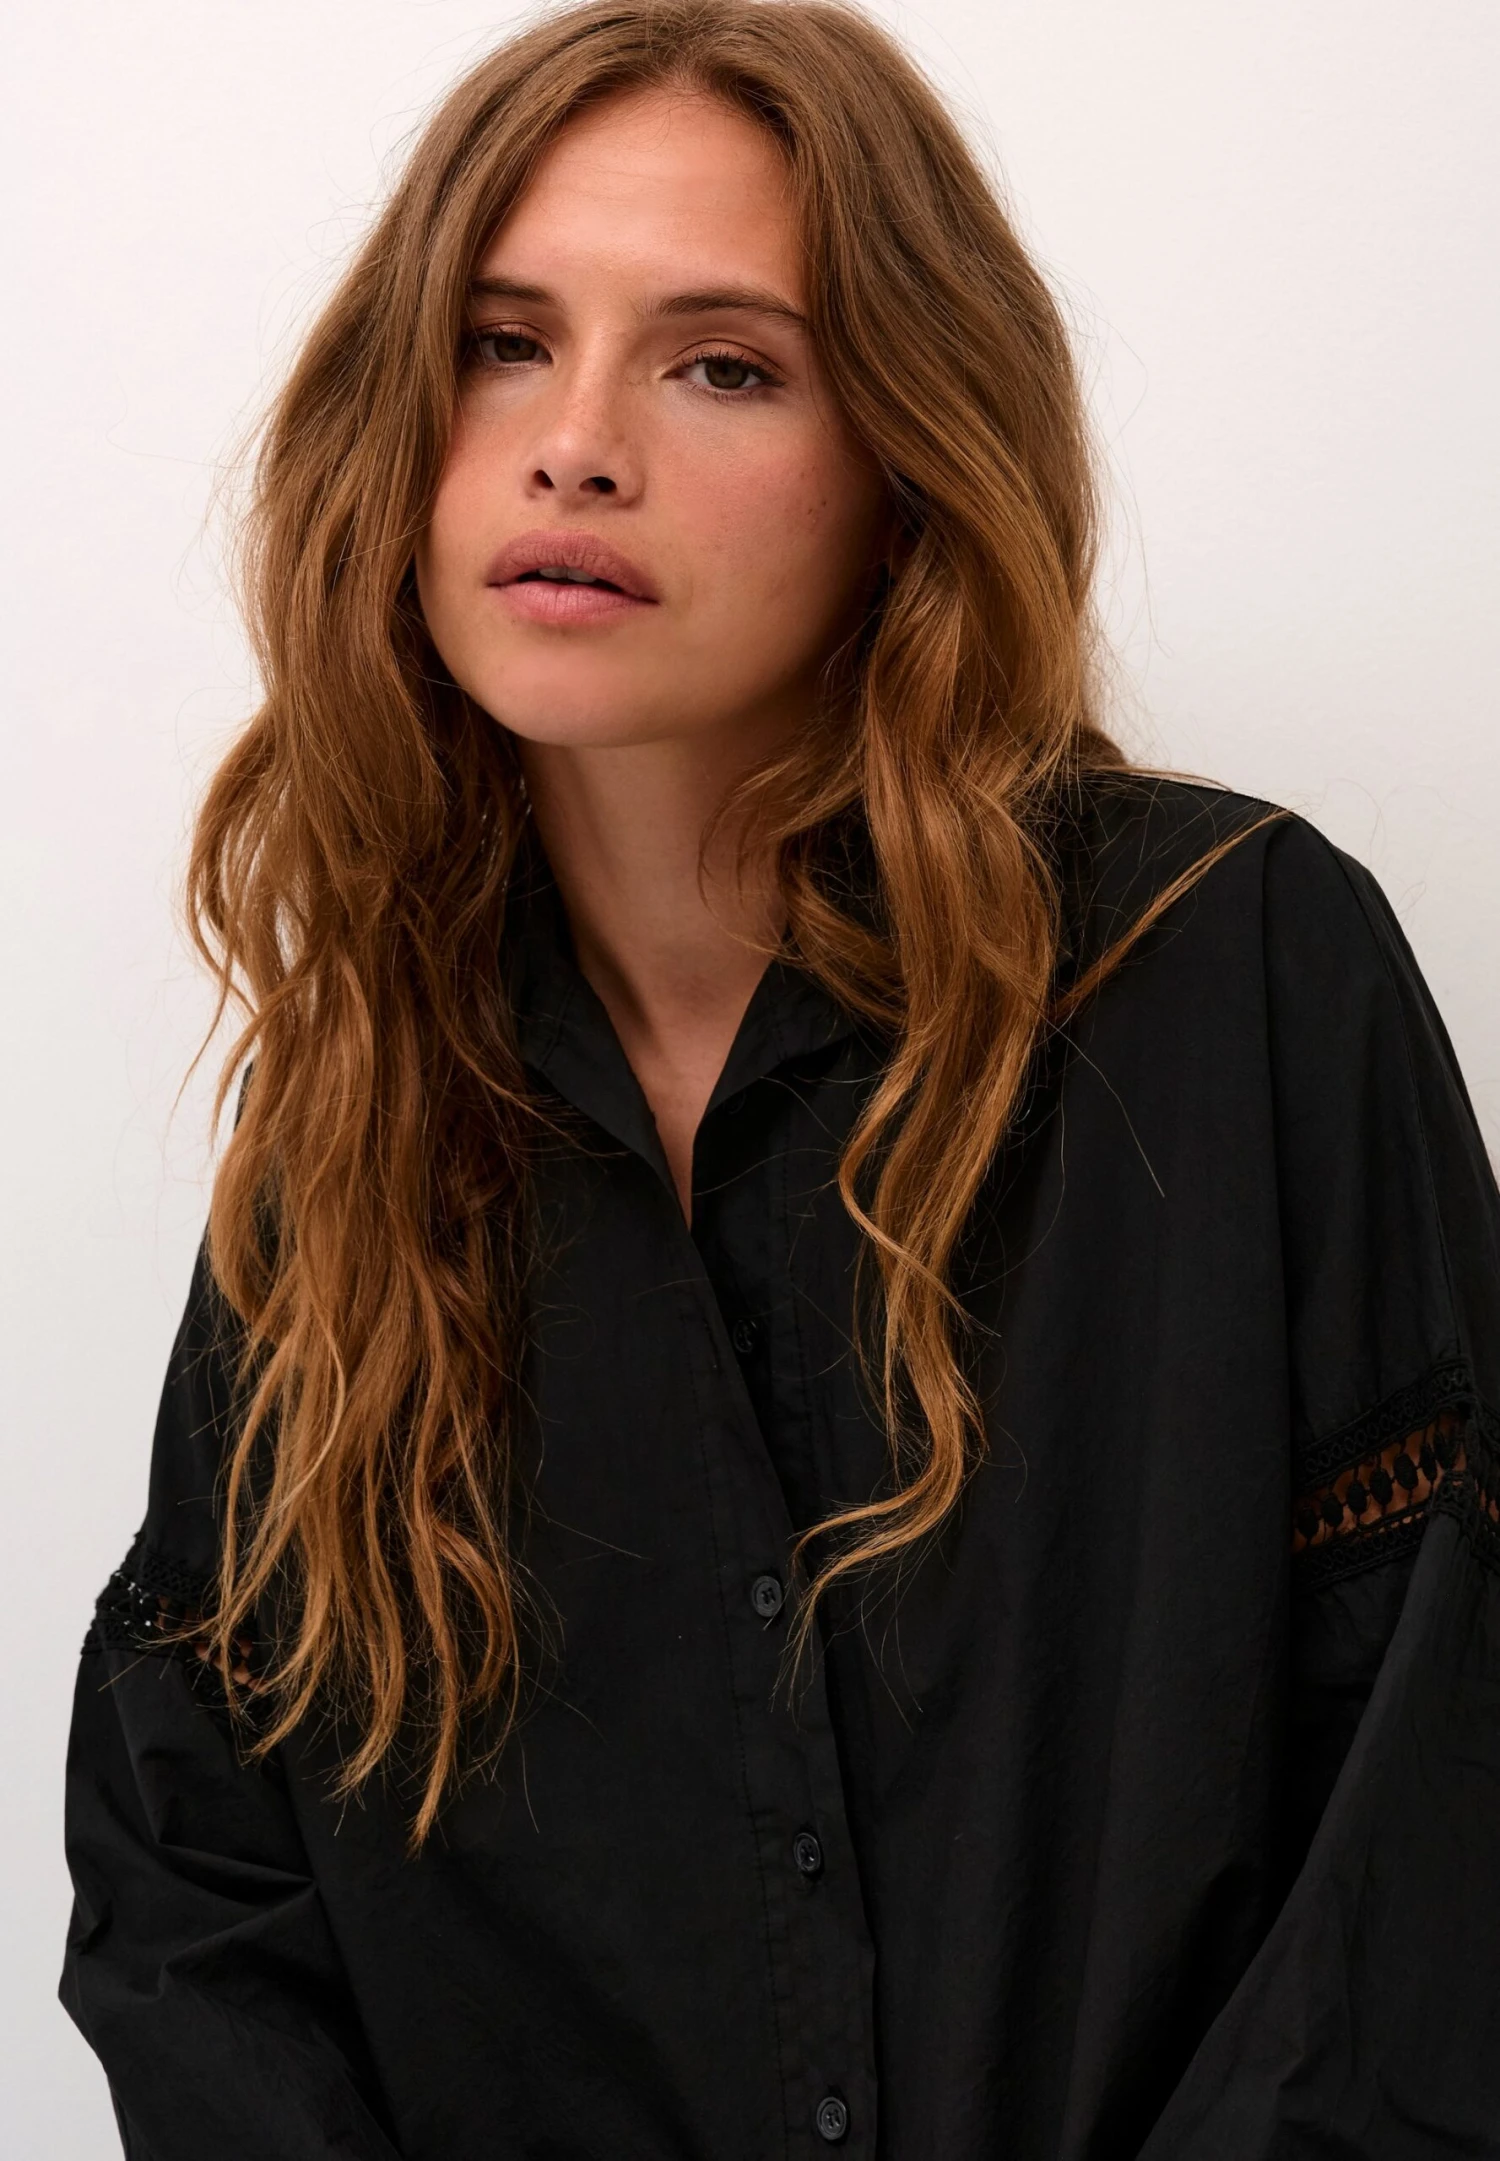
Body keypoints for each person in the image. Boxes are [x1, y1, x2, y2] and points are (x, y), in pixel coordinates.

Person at [59, 2, 1500, 2156]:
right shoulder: (359, 1118)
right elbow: (194, 1888)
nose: (576, 447)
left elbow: (1431, 1823)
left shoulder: (1233, 973)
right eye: (503, 343)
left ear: (909, 467)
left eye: (723, 365)